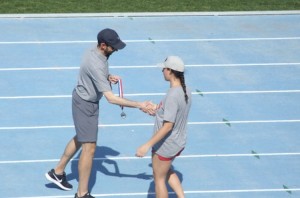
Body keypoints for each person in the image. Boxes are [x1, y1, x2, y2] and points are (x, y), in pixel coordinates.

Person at [45, 28, 152, 198]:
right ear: (103, 45)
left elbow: (96, 71)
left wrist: (106, 76)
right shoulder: (96, 63)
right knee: (90, 149)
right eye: (113, 47)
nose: (116, 49)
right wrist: (140, 105)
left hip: (84, 100)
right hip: (86, 105)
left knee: (81, 137)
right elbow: (111, 98)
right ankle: (82, 194)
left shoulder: (94, 52)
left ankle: (57, 172)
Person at [136, 56, 192, 198]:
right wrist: (156, 109)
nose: (162, 70)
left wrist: (146, 145)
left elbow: (168, 126)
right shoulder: (185, 90)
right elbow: (173, 112)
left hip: (166, 145)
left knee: (159, 178)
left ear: (170, 71)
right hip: (179, 141)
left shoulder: (172, 94)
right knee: (166, 171)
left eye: (164, 68)